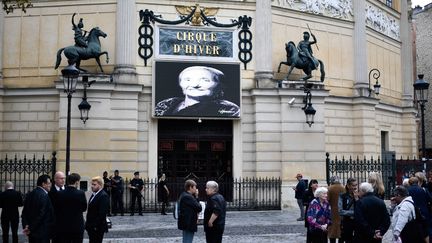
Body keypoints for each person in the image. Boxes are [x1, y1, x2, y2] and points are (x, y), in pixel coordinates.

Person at [154, 66, 240, 117]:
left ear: (220, 86)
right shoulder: (166, 104)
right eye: (188, 80)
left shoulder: (228, 109)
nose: (195, 85)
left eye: (205, 80)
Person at [21, 174, 55, 243]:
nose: (50, 185)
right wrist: (30, 228)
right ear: (43, 184)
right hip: (42, 234)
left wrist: (26, 226)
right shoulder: (44, 196)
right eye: (49, 183)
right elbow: (41, 215)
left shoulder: (30, 194)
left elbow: (24, 212)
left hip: (32, 234)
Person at [55, 173, 87, 243]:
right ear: (76, 182)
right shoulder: (81, 193)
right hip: (77, 225)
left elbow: (57, 208)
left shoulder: (60, 193)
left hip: (63, 226)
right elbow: (84, 208)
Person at [407, 176, 432, 242]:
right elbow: (430, 200)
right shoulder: (424, 190)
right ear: (418, 182)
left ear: (409, 183)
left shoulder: (407, 190)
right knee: (426, 229)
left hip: (412, 212)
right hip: (424, 212)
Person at [85, 176, 110, 243]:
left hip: (97, 228)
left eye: (94, 184)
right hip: (91, 227)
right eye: (92, 184)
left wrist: (95, 226)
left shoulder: (103, 195)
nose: (92, 186)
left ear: (100, 185)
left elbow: (102, 214)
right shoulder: (94, 194)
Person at [338, 178, 358, 243]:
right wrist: (354, 213)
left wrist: (357, 199)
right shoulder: (342, 196)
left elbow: (361, 209)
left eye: (356, 185)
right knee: (347, 239)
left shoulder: (359, 195)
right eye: (353, 185)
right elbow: (340, 211)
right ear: (348, 186)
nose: (355, 187)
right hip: (347, 222)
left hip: (357, 222)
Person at [48, 171, 66, 243]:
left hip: (67, 225)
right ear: (55, 179)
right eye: (61, 178)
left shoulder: (68, 190)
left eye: (64, 178)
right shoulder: (50, 192)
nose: (63, 180)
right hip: (55, 225)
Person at [327, 176, 345, 243]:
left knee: (332, 231)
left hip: (333, 212)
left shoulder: (330, 188)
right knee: (341, 230)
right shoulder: (343, 188)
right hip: (341, 212)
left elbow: (327, 200)